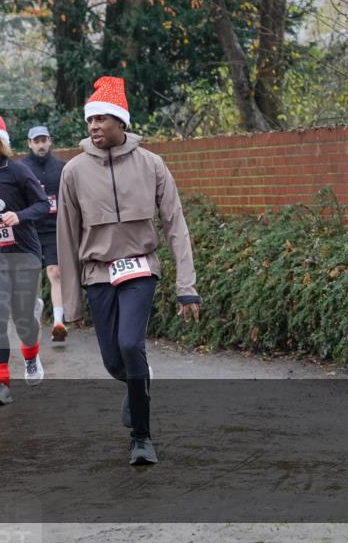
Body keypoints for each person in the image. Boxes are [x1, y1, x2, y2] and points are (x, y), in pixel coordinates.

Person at [57, 76, 201, 466]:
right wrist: (71, 304)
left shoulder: (152, 164)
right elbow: (66, 239)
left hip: (140, 268)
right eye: (90, 120)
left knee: (129, 344)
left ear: (122, 122)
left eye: (103, 119)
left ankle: (142, 438)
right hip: (97, 273)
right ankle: (140, 381)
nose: (94, 127)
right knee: (113, 362)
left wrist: (187, 287)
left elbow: (176, 226)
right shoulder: (73, 172)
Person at [0, 116, 50, 406]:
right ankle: (1, 384)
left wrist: (20, 216)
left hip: (23, 254)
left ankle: (30, 356)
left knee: (24, 317)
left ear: (1, 143)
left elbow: (43, 204)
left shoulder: (18, 170)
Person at [23, 125, 68, 341]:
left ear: (50, 142)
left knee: (55, 272)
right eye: (36, 141)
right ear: (29, 144)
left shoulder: (62, 168)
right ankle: (33, 318)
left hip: (54, 229)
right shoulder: (21, 168)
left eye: (44, 140)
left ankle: (59, 322)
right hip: (30, 229)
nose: (41, 145)